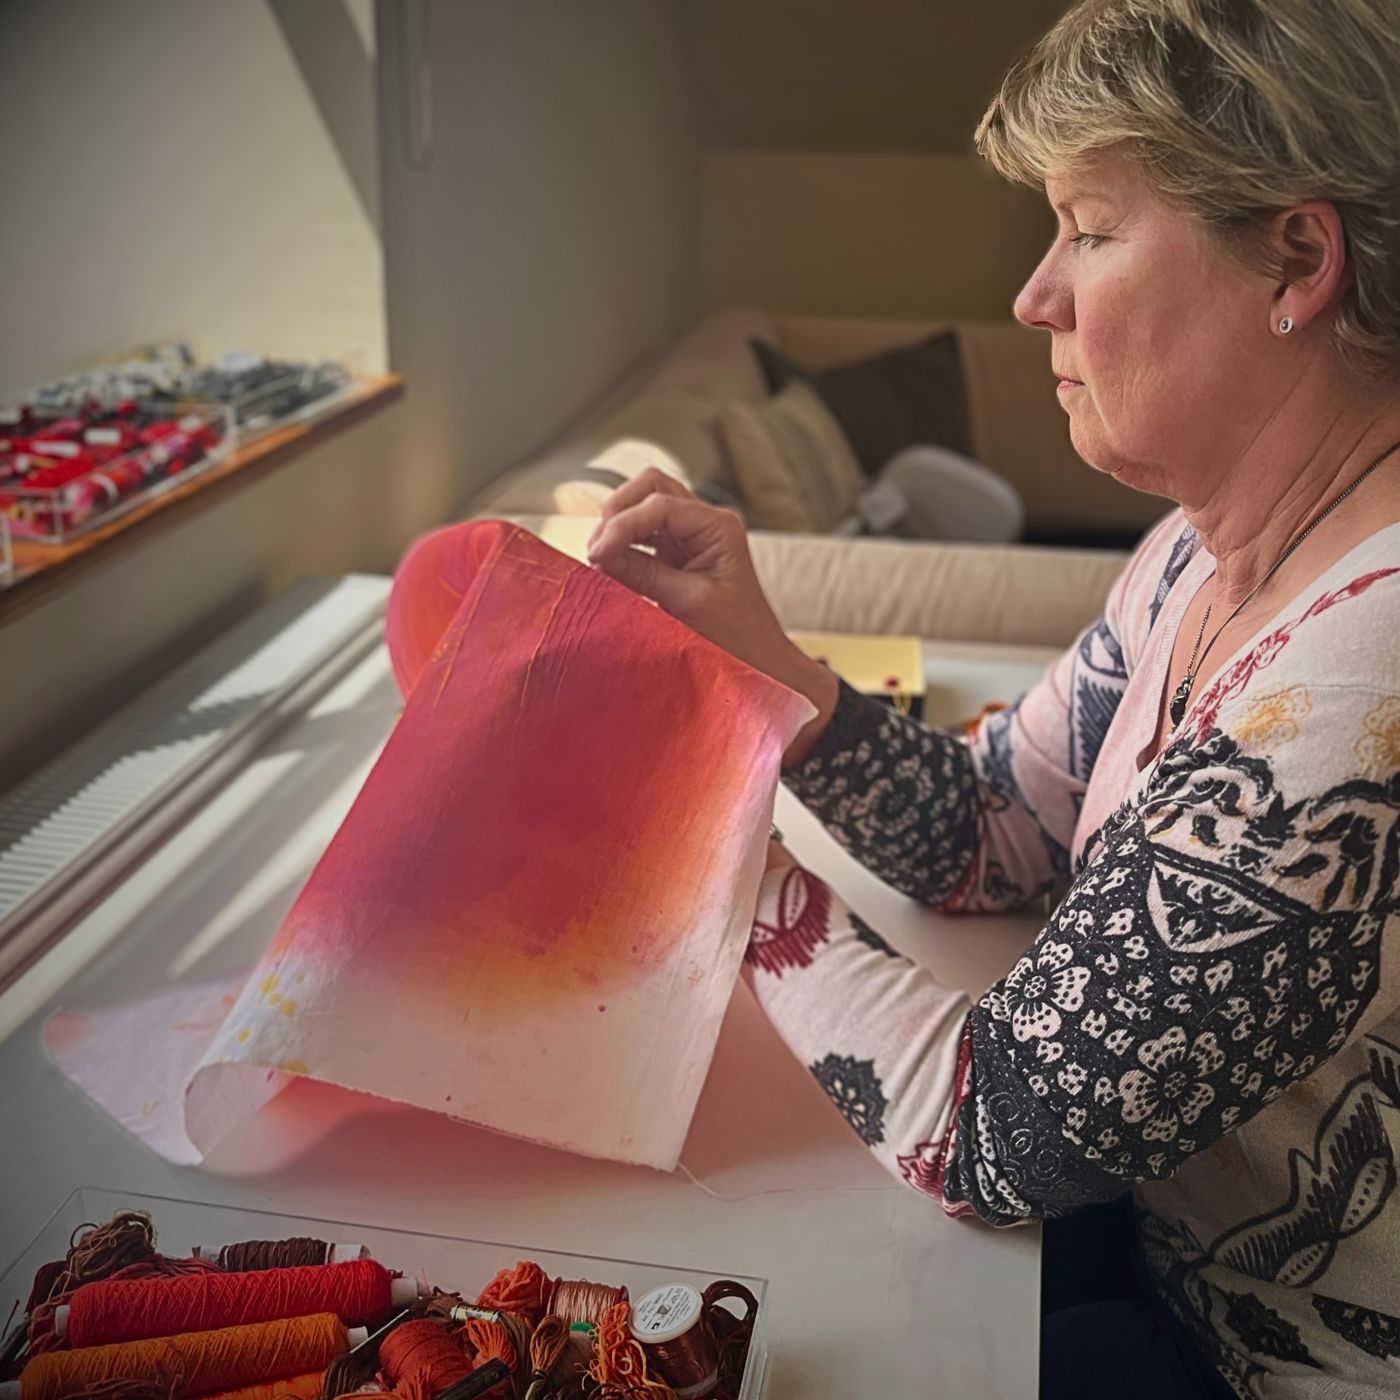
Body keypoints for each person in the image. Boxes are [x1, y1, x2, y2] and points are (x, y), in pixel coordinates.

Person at [587, 1, 1400, 1394]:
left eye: (1088, 228)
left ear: (1297, 257)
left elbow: (993, 1134)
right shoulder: (1196, 552)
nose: (1035, 296)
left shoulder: (1357, 691)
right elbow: (999, 831)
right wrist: (767, 673)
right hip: (1150, 1251)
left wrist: (711, 856)